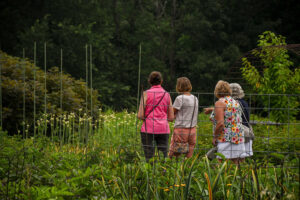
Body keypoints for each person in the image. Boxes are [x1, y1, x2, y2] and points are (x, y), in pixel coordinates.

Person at [137, 71, 174, 161]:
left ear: (149, 81)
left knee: (149, 157)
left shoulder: (146, 94)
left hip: (148, 128)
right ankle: (163, 173)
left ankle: (149, 173)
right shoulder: (167, 95)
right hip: (163, 129)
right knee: (163, 156)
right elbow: (171, 117)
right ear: (161, 81)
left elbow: (140, 115)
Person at [209, 80, 247, 164]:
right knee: (238, 163)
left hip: (225, 137)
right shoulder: (235, 102)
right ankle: (242, 177)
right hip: (238, 136)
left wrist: (215, 136)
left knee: (222, 163)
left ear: (217, 90)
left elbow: (220, 123)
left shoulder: (220, 103)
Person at [169, 77, 198, 158]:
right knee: (189, 153)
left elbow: (172, 112)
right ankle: (187, 168)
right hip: (192, 129)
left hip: (181, 129)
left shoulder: (180, 98)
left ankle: (172, 169)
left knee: (175, 154)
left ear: (179, 86)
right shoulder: (195, 98)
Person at [230, 83, 253, 157]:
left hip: (237, 133)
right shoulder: (244, 103)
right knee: (244, 158)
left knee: (235, 158)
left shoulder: (233, 104)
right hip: (247, 131)